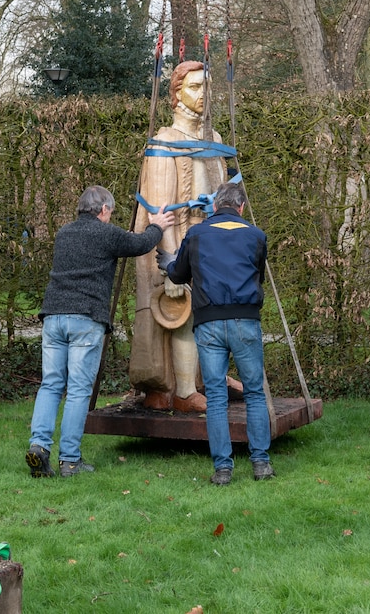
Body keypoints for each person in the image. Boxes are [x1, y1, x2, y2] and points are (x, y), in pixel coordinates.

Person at [26, 186, 175, 478]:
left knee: (51, 385)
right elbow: (140, 244)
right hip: (85, 318)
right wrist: (158, 225)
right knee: (79, 390)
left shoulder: (63, 234)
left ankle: (39, 447)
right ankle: (70, 461)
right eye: (111, 212)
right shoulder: (106, 234)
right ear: (104, 210)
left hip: (54, 315)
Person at [130, 60, 229, 414]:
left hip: (214, 241)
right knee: (183, 311)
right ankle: (185, 390)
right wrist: (171, 264)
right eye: (194, 87)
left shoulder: (214, 141)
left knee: (217, 309)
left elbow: (228, 198)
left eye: (206, 87)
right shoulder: (165, 142)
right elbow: (159, 211)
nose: (202, 95)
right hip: (179, 240)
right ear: (176, 93)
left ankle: (207, 378)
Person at [160, 182, 273, 485]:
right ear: (241, 207)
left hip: (208, 322)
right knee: (254, 394)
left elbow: (179, 274)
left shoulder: (196, 234)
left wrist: (168, 263)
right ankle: (261, 464)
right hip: (246, 321)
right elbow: (257, 275)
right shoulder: (256, 236)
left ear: (213, 206)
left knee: (217, 398)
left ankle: (223, 469)